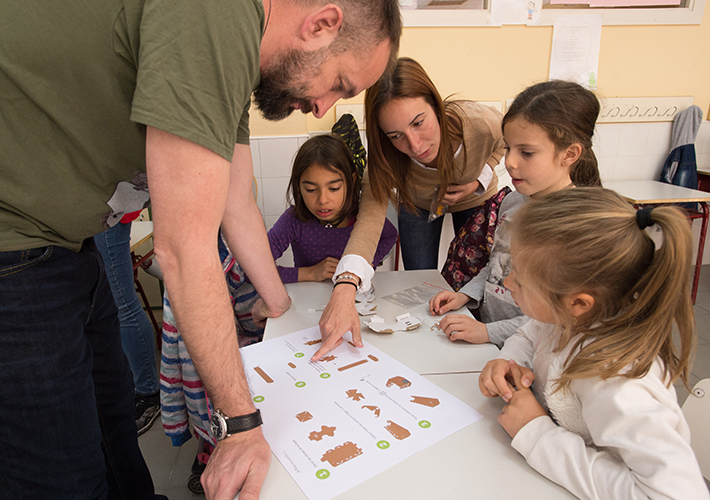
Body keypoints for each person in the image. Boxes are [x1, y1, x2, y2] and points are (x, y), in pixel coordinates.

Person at [0, 0, 402, 498]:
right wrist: (241, 425)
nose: (323, 108)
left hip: (66, 249)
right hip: (15, 251)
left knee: (114, 431)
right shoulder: (218, 14)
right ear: (321, 24)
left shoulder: (235, 61)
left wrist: (281, 310)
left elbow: (236, 201)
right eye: (340, 84)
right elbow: (184, 249)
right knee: (63, 475)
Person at [478, 187, 709, 500]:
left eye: (518, 278)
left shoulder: (616, 380)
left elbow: (672, 494)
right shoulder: (567, 319)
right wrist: (511, 363)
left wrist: (537, 433)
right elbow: (528, 335)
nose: (507, 283)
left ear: (579, 303)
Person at [314, 57, 505, 359]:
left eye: (419, 123)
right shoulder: (386, 157)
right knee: (422, 283)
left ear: (436, 105)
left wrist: (478, 179)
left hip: (474, 198)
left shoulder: (478, 122)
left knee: (473, 280)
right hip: (419, 204)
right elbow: (369, 220)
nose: (415, 145)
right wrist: (346, 285)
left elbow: (506, 141)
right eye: (396, 136)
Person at [428, 80, 602, 348]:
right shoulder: (511, 203)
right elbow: (497, 266)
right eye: (508, 147)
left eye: (527, 152)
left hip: (531, 354)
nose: (509, 161)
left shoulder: (576, 226)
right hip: (490, 339)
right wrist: (465, 295)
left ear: (569, 154)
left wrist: (488, 332)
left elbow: (557, 318)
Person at [269, 134, 398, 283]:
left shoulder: (362, 217)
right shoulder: (293, 221)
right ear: (298, 187)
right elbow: (252, 271)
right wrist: (310, 273)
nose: (323, 200)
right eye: (311, 189)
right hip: (307, 299)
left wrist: (368, 263)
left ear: (351, 181)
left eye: (334, 188)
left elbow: (390, 235)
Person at [94, 217, 162, 436]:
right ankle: (139, 387)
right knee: (114, 305)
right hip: (98, 215)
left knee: (123, 304)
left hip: (106, 216)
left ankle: (148, 393)